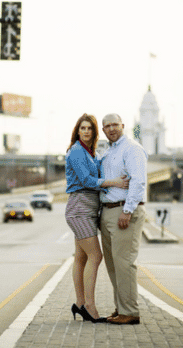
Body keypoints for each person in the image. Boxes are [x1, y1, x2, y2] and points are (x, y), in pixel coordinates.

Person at [65, 113, 129, 323]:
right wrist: (114, 182)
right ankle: (90, 306)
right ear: (77, 130)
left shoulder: (91, 153)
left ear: (94, 132)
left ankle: (80, 303)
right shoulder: (76, 151)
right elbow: (86, 179)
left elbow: (103, 164)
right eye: (82, 128)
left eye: (89, 128)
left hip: (89, 209)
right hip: (79, 208)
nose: (86, 131)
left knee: (81, 258)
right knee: (96, 256)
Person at [99, 113, 148, 325]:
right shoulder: (108, 152)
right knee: (113, 265)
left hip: (123, 211)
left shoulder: (132, 149)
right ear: (103, 130)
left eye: (115, 125)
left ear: (123, 126)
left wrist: (127, 211)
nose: (111, 129)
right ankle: (121, 309)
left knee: (124, 264)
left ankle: (130, 312)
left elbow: (138, 182)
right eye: (107, 126)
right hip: (108, 211)